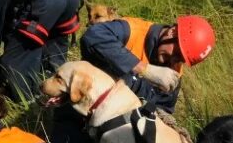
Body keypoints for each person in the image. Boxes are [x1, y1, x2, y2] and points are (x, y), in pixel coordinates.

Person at [80, 14, 216, 113]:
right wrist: (143, 69)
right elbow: (93, 35)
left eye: (181, 59)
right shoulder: (132, 31)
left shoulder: (173, 75)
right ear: (172, 32)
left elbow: (162, 110)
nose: (174, 60)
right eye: (176, 53)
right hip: (82, 98)